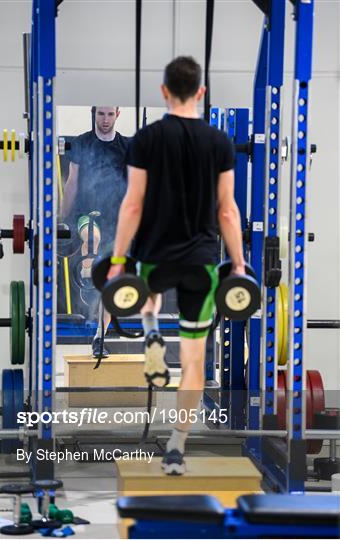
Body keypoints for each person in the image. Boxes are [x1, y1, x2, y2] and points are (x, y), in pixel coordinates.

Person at [108, 56, 245, 475]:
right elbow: (227, 212)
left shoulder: (146, 140)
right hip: (201, 263)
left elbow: (132, 204)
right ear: (200, 93)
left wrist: (117, 262)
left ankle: (150, 333)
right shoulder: (219, 142)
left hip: (155, 258)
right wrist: (238, 265)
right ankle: (176, 447)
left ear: (164, 92)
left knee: (147, 300)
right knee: (194, 362)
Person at [61, 106, 129, 358]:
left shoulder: (125, 146)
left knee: (109, 285)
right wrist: (60, 219)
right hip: (86, 214)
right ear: (94, 114)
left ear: (117, 114)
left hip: (116, 219)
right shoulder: (82, 143)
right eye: (101, 114)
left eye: (110, 114)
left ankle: (99, 337)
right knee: (92, 236)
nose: (105, 119)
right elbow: (72, 182)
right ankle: (86, 272)